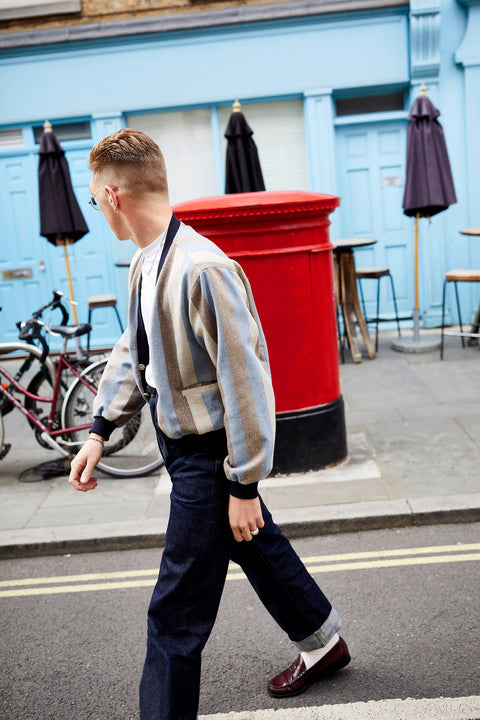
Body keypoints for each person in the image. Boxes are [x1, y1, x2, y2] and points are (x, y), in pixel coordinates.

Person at [69, 129, 350, 720]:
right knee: (254, 544)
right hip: (178, 446)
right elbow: (133, 346)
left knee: (175, 613)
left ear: (114, 194)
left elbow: (246, 381)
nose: (96, 209)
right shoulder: (147, 261)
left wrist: (242, 484)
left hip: (209, 457)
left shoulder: (204, 268)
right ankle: (324, 643)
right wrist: (99, 428)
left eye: (95, 198)